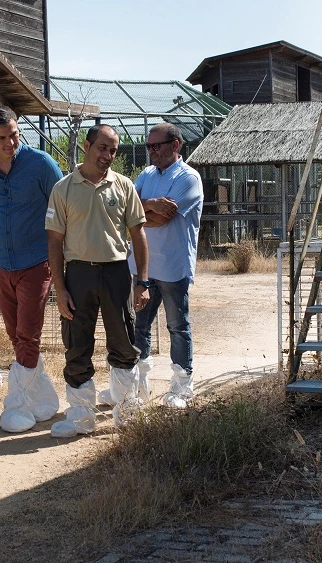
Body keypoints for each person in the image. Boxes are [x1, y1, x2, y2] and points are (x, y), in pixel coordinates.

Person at [45, 124, 150, 438]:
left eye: (113, 150)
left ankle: (127, 412)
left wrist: (141, 281)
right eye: (102, 148)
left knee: (124, 343)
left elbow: (139, 235)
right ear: (87, 147)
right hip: (77, 275)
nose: (108, 155)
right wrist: (60, 289)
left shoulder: (124, 186)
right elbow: (53, 242)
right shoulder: (62, 188)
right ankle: (80, 417)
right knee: (77, 345)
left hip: (116, 273)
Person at [0, 107, 62, 433]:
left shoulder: (41, 164)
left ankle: (17, 404)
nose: (10, 142)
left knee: (28, 335)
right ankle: (45, 400)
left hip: (37, 261)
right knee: (15, 337)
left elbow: (63, 205)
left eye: (13, 134)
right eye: (1, 138)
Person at [127, 122, 203, 409]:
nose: (151, 151)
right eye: (148, 146)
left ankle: (182, 387)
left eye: (156, 146)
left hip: (173, 266)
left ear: (175, 145)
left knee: (177, 326)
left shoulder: (189, 178)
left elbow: (163, 218)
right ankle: (138, 386)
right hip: (142, 267)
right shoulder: (146, 174)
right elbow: (127, 209)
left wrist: (142, 211)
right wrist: (154, 203)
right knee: (139, 325)